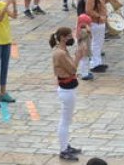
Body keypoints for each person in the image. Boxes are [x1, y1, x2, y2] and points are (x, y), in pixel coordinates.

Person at [50, 26, 85, 161]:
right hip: (66, 90)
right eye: (69, 36)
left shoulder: (63, 50)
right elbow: (72, 69)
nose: (72, 38)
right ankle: (63, 150)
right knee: (65, 121)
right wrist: (78, 57)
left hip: (69, 89)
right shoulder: (60, 53)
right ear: (63, 38)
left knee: (67, 120)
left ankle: (66, 145)